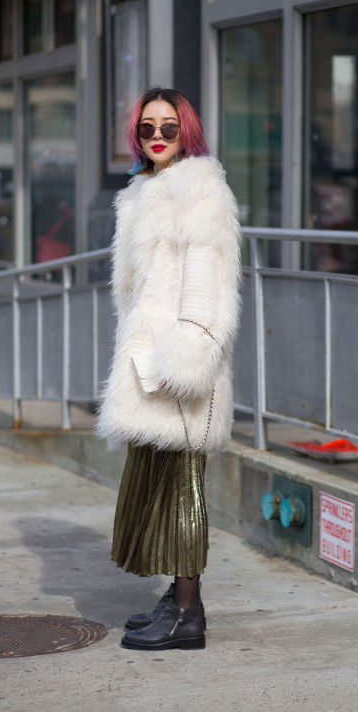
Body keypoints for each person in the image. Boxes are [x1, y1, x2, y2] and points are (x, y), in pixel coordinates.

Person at [95, 86, 242, 651]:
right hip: (147, 366)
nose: (157, 137)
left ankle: (187, 615)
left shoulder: (200, 191)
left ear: (188, 134)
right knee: (158, 487)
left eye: (169, 128)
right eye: (148, 128)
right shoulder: (143, 193)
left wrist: (184, 361)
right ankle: (183, 601)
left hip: (178, 371)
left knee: (182, 492)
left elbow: (206, 293)